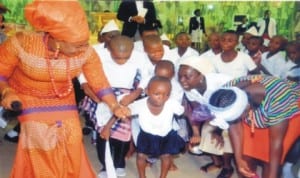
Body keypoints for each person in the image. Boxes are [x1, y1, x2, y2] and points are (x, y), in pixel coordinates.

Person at [0, 1, 131, 178]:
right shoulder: (22, 43)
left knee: (73, 139)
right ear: (57, 40)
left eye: (85, 43)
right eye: (78, 45)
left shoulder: (86, 52)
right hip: (27, 96)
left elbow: (99, 82)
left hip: (62, 96)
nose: (84, 48)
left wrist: (114, 106)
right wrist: (7, 91)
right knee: (43, 139)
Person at [80, 35, 147, 178]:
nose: (122, 61)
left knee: (123, 135)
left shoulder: (140, 56)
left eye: (126, 57)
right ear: (109, 49)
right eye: (117, 58)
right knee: (103, 132)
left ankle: (119, 164)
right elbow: (81, 68)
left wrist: (137, 92)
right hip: (103, 94)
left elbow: (146, 76)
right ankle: (105, 166)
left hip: (126, 97)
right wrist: (86, 86)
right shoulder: (98, 54)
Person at [208, 75, 300, 178]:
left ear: (247, 108)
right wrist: (239, 161)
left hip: (289, 113)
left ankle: (284, 169)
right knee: (246, 158)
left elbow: (276, 144)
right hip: (257, 111)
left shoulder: (278, 98)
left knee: (269, 163)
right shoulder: (226, 94)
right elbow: (235, 128)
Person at [177, 56, 235, 178]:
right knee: (205, 132)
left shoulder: (223, 82)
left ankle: (227, 167)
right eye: (180, 76)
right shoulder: (189, 88)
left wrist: (219, 130)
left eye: (187, 76)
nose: (182, 80)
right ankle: (217, 163)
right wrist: (196, 133)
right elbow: (197, 111)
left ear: (201, 76)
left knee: (225, 138)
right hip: (214, 113)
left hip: (234, 114)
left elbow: (234, 108)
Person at [128, 76, 186, 178]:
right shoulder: (140, 104)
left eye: (166, 94)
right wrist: (108, 127)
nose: (162, 97)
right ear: (147, 91)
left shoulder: (172, 103)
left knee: (166, 156)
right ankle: (142, 176)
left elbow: (181, 111)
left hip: (166, 135)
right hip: (146, 135)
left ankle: (162, 176)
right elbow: (124, 111)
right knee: (141, 156)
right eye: (157, 94)